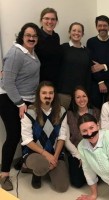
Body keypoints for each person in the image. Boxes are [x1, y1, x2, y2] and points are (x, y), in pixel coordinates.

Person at [0, 23, 41, 191]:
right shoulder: (16, 52)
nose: (31, 38)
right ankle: (4, 175)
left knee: (27, 134)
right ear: (21, 36)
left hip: (26, 100)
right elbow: (7, 82)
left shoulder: (31, 52)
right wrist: (20, 103)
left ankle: (25, 163)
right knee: (14, 135)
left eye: (34, 36)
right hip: (11, 100)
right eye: (28, 35)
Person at [21, 81, 69, 192]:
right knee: (41, 164)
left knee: (62, 188)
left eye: (50, 93)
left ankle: (47, 168)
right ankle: (37, 174)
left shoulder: (61, 111)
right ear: (38, 95)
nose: (48, 96)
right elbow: (27, 140)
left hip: (54, 152)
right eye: (44, 93)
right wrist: (47, 155)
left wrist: (55, 157)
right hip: (34, 153)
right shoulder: (30, 112)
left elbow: (62, 136)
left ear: (54, 95)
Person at [65, 86, 100, 188]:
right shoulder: (69, 114)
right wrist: (79, 156)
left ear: (88, 97)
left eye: (84, 96)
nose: (81, 99)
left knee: (99, 179)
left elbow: (100, 135)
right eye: (78, 97)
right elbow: (66, 140)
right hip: (77, 151)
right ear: (74, 99)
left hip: (94, 151)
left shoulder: (96, 112)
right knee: (77, 183)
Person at [58, 22, 92, 109]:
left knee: (77, 120)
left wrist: (86, 92)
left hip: (80, 95)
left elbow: (88, 73)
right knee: (62, 119)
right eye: (74, 30)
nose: (76, 33)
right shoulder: (62, 48)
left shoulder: (87, 51)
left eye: (79, 31)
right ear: (69, 32)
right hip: (64, 93)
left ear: (82, 34)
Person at [86, 15, 109, 109]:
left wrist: (104, 66)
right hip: (96, 81)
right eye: (100, 25)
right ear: (96, 27)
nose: (102, 28)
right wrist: (100, 82)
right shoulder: (91, 42)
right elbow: (92, 65)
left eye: (105, 25)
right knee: (96, 109)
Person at [35, 7, 62, 87]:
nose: (50, 22)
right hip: (40, 82)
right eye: (46, 18)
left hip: (54, 81)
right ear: (41, 20)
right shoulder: (35, 37)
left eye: (53, 19)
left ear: (56, 21)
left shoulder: (56, 36)